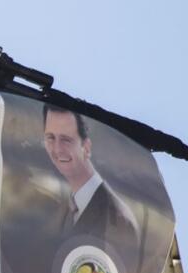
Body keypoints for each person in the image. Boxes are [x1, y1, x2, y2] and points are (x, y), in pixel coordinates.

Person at [42, 105, 140, 245]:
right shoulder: (63, 212)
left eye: (66, 140)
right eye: (50, 138)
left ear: (86, 148)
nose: (57, 149)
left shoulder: (116, 218)